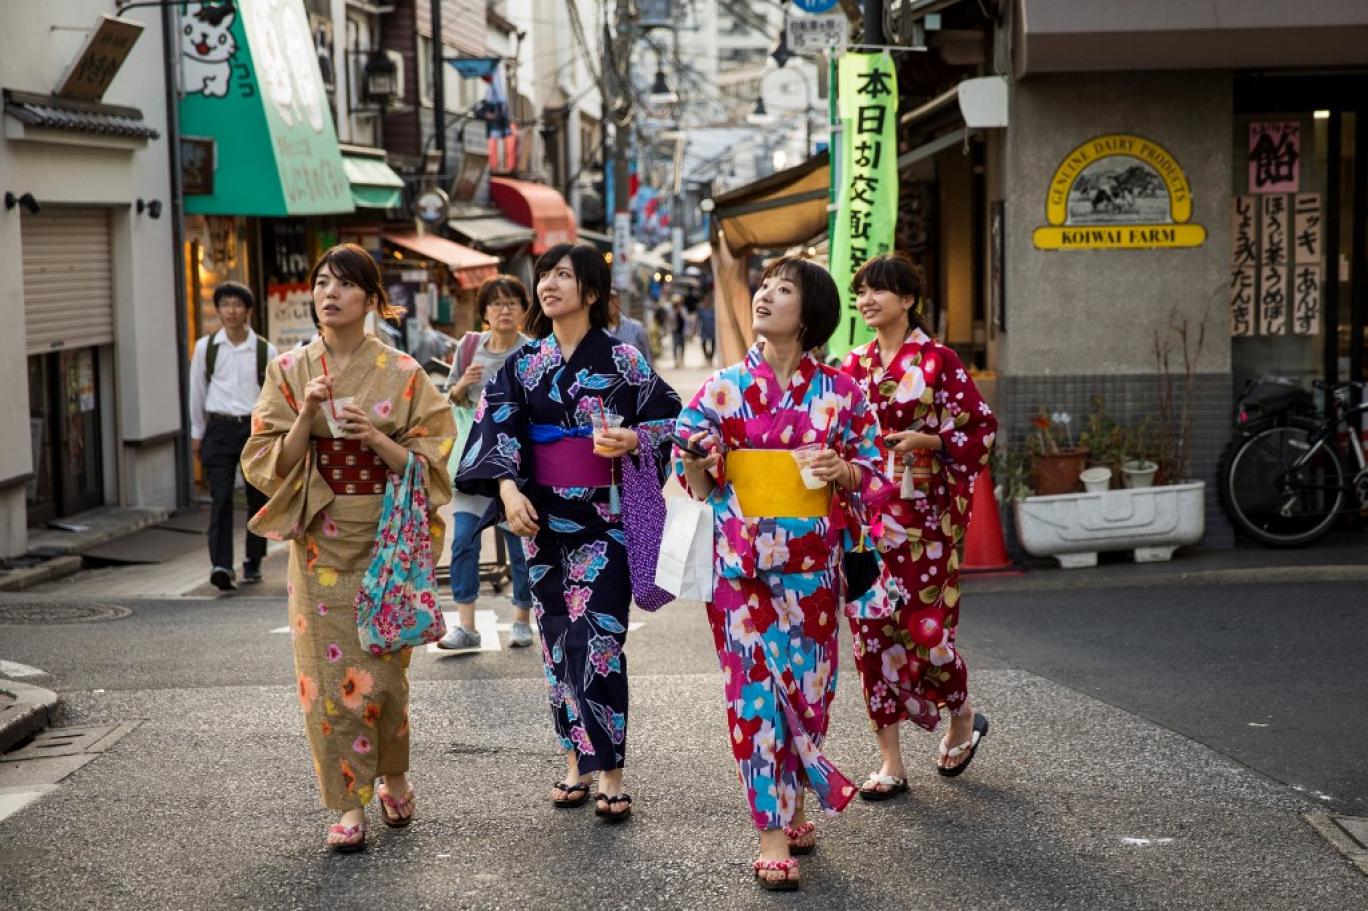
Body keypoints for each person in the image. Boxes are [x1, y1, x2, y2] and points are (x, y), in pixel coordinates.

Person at [674, 257, 894, 891]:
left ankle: (794, 802)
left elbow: (875, 473)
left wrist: (843, 471)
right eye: (764, 286)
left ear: (811, 313)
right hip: (740, 572)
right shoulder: (721, 389)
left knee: (809, 693)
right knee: (754, 699)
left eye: (784, 289)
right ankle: (771, 832)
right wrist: (700, 460)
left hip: (813, 572)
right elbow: (694, 478)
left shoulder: (842, 394)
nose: (765, 295)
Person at [456, 243, 681, 823]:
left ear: (591, 290)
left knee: (598, 640)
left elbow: (673, 419)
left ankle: (611, 772)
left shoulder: (624, 359)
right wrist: (508, 492)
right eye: (544, 275)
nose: (548, 285)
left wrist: (635, 439)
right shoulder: (523, 364)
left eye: (562, 275)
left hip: (606, 524)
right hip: (542, 523)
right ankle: (575, 761)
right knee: (557, 642)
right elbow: (496, 427)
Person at [241, 243, 455, 853]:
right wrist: (307, 414)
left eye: (343, 284)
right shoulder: (289, 369)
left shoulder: (403, 372)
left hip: (386, 540)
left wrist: (376, 439)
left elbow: (434, 457)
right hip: (320, 540)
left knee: (383, 674)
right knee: (326, 679)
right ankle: (348, 804)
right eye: (320, 283)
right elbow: (269, 462)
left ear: (370, 298)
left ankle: (394, 775)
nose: (328, 294)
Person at [837, 253, 996, 800]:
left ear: (908, 300)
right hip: (864, 522)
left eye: (879, 290)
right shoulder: (851, 365)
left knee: (926, 632)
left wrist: (930, 440)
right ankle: (891, 762)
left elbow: (980, 428)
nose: (867, 300)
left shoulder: (938, 361)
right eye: (862, 291)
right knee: (870, 635)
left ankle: (962, 712)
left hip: (924, 520)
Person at [437, 275, 535, 651]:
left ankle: (522, 618)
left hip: (517, 465)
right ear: (485, 312)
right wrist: (462, 384)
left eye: (511, 303)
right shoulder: (469, 347)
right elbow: (449, 399)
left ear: (523, 310)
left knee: (520, 546)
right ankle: (466, 625)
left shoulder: (533, 352)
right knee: (463, 541)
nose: (504, 310)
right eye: (496, 303)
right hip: (474, 462)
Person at [189, 281, 278, 591]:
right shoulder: (206, 348)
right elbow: (197, 391)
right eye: (225, 304)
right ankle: (221, 565)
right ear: (218, 310)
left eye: (237, 304)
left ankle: (253, 561)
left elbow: (273, 397)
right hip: (219, 428)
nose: (231, 310)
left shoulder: (266, 350)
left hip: (255, 429)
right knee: (221, 497)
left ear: (248, 310)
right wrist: (197, 432)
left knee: (257, 498)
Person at [606, 291, 654, 367]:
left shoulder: (636, 328)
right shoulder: (596, 332)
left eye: (612, 299)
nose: (609, 304)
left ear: (619, 301)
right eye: (605, 300)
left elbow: (648, 358)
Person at [670, 295, 688, 367]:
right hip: (675, 330)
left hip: (682, 330)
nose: (678, 304)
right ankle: (676, 360)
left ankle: (681, 359)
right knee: (675, 345)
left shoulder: (683, 309)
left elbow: (686, 319)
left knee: (682, 345)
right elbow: (670, 319)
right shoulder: (672, 310)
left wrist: (680, 312)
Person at [697, 295, 716, 364]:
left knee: (713, 343)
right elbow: (698, 320)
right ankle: (706, 356)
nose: (707, 302)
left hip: (712, 329)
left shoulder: (713, 309)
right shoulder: (701, 310)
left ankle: (711, 357)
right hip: (704, 329)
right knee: (703, 343)